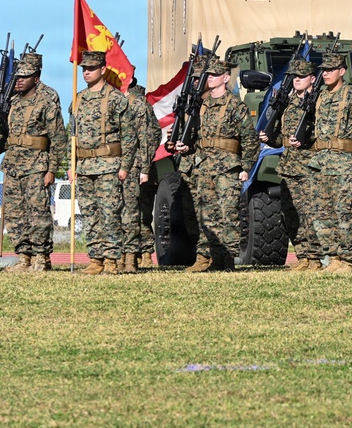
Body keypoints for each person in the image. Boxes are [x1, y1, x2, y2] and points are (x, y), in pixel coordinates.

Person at [287, 52, 352, 273]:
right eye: (323, 70)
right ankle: (333, 257)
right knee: (322, 214)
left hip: (344, 163)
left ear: (342, 71)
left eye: (330, 70)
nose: (326, 74)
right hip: (320, 164)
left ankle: (346, 260)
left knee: (345, 213)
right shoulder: (319, 98)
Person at [170, 56, 258, 272]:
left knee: (228, 214)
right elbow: (194, 136)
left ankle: (227, 260)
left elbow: (249, 138)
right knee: (207, 215)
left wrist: (246, 167)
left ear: (226, 78)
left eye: (215, 75)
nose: (210, 78)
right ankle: (212, 258)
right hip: (204, 166)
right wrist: (185, 146)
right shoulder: (201, 105)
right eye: (208, 75)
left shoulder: (235, 105)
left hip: (227, 167)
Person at [0, 52, 68, 272]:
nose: (19, 80)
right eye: (18, 76)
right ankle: (24, 257)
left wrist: (52, 169)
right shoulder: (11, 102)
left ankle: (41, 257)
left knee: (38, 213)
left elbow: (58, 138)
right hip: (13, 165)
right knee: (14, 214)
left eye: (25, 76)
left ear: (36, 77)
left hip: (37, 166)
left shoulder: (46, 101)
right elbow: (9, 137)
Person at [72, 51, 137, 275]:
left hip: (109, 165)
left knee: (110, 213)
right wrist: (72, 165)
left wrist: (125, 166)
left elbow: (129, 136)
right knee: (89, 214)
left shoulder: (116, 99)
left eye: (91, 68)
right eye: (84, 69)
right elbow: (72, 135)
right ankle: (95, 259)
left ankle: (111, 259)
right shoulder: (78, 99)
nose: (86, 72)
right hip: (84, 165)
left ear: (102, 69)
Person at [259, 58, 323, 271]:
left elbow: (326, 134)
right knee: (290, 213)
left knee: (310, 213)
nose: (297, 80)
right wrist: (271, 138)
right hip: (288, 166)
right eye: (295, 76)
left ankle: (314, 257)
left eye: (302, 76)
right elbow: (282, 137)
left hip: (309, 165)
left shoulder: (319, 102)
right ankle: (303, 256)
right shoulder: (288, 101)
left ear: (312, 79)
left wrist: (307, 139)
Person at [123, 76, 161, 271]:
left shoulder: (140, 104)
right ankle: (128, 253)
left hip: (141, 167)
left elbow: (152, 134)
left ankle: (145, 253)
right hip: (122, 165)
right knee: (126, 212)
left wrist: (143, 158)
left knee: (142, 213)